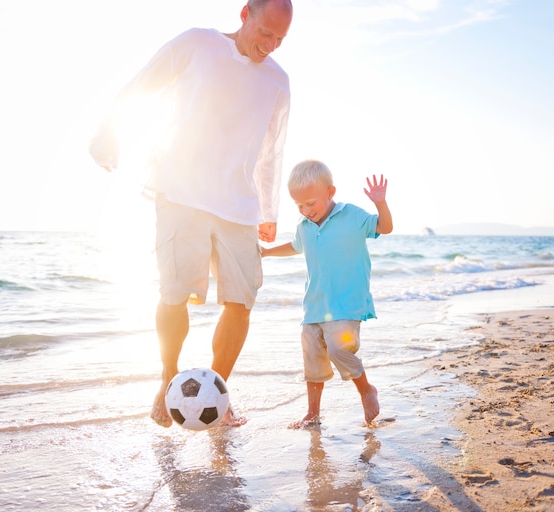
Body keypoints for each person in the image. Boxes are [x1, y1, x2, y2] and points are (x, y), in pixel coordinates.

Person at [89, 0, 293, 428]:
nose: (271, 45)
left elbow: (271, 150)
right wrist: (109, 132)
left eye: (280, 39)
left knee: (241, 303)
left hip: (238, 204)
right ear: (245, 15)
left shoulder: (277, 80)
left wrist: (269, 210)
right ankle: (168, 382)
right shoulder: (198, 43)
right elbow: (143, 84)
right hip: (181, 191)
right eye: (266, 33)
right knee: (174, 293)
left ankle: (216, 393)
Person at [261, 159, 393, 427]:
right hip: (313, 307)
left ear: (330, 193)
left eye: (311, 203)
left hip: (347, 304)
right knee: (313, 362)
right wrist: (267, 252)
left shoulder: (352, 216)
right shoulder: (304, 226)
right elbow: (295, 246)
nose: (306, 210)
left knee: (338, 348)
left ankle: (366, 389)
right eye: (299, 205)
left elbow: (384, 227)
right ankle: (313, 413)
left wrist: (380, 203)